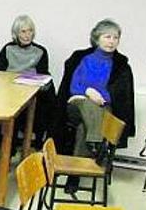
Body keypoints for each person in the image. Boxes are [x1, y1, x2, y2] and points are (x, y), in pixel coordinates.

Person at [55, 19, 135, 192]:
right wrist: (89, 92)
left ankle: (74, 175)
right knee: (87, 105)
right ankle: (98, 147)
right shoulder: (82, 58)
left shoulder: (121, 66)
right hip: (77, 105)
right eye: (107, 37)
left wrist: (101, 96)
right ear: (97, 38)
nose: (112, 41)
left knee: (84, 128)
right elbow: (73, 87)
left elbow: (120, 96)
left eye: (115, 38)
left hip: (103, 107)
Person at [0, 14, 57, 159]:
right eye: (23, 31)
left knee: (45, 103)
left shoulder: (40, 51)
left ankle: (29, 146)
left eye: (30, 31)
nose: (27, 35)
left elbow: (42, 75)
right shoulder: (8, 49)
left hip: (30, 92)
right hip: (8, 91)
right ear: (16, 33)